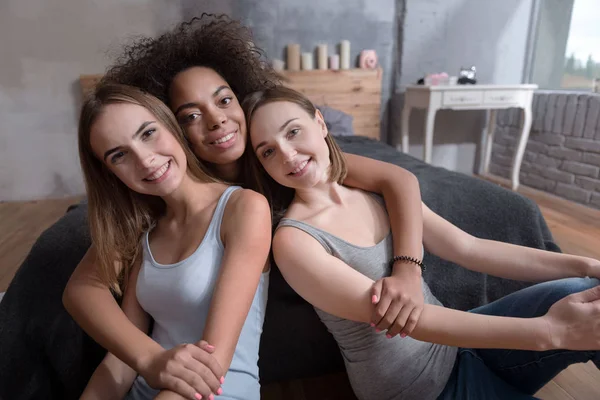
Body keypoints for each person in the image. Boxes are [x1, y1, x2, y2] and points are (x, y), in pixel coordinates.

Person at [64, 13, 428, 399]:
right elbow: (85, 290)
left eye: (224, 100)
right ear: (175, 126)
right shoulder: (161, 194)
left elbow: (398, 179)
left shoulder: (283, 156)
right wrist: (148, 359)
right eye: (190, 115)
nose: (217, 120)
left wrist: (407, 266)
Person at [242, 85, 600, 400]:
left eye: (293, 131)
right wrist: (551, 332)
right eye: (268, 151)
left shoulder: (373, 190)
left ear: (320, 123)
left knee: (585, 289)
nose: (288, 154)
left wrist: (585, 264)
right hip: (419, 387)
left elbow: (468, 248)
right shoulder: (295, 242)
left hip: (459, 348)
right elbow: (415, 319)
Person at [75, 82, 272, 399]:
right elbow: (122, 359)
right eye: (119, 155)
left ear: (170, 124)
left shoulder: (243, 208)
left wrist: (153, 366)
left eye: (148, 133)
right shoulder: (146, 233)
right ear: (110, 173)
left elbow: (211, 367)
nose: (145, 160)